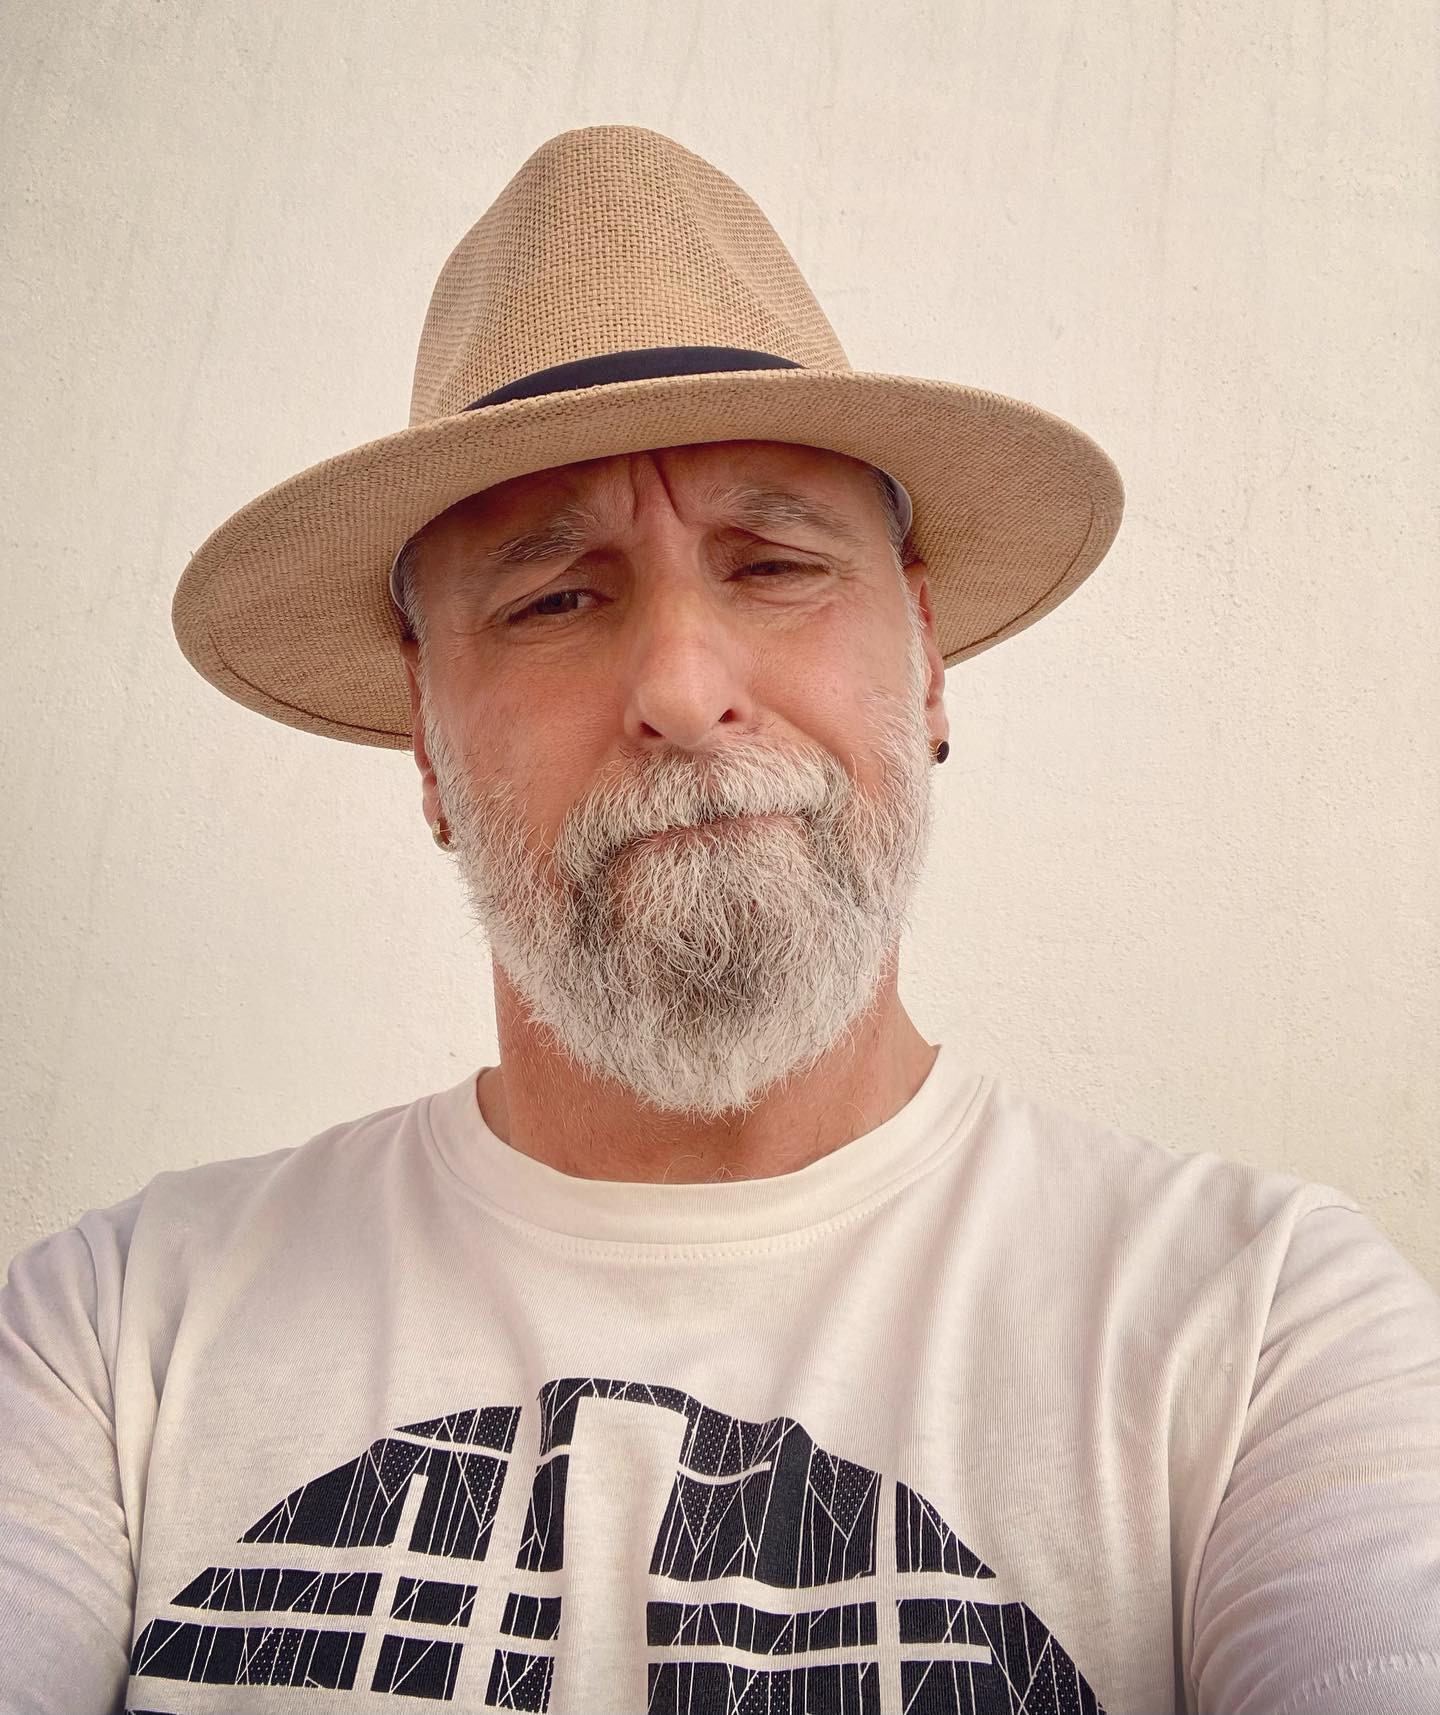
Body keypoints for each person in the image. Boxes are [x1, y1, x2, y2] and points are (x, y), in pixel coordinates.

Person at [1, 124, 1437, 1715]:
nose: (684, 691)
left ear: (927, 657)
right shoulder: (114, 1339)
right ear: (424, 738)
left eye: (772, 564)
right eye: (555, 597)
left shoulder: (1260, 1330)